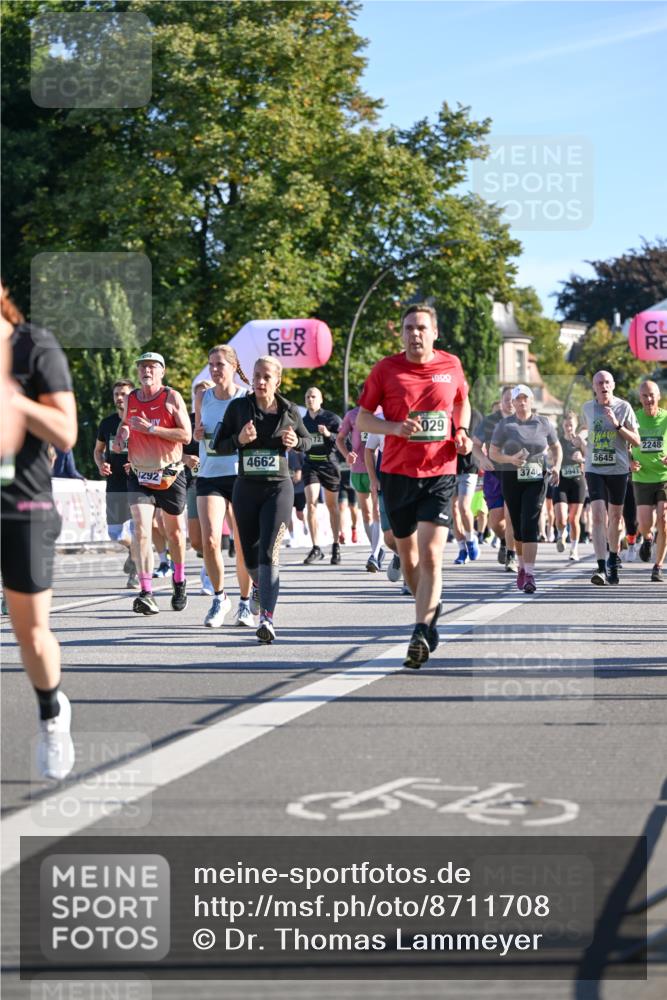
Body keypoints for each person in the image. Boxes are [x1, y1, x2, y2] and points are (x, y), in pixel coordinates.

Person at [356, 303, 471, 668]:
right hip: (397, 473)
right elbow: (361, 419)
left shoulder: (450, 365)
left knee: (432, 553)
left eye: (421, 327)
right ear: (402, 333)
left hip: (439, 471)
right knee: (408, 557)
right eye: (408, 328)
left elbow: (461, 402)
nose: (414, 333)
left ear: (434, 332)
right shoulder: (385, 369)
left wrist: (462, 432)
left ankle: (421, 630)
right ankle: (428, 605)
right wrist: (393, 428)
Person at [0, 282, 77, 780]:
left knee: (31, 633)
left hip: (20, 505)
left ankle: (52, 713)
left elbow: (66, 432)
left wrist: (16, 401)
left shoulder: (33, 346)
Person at [212, 355, 312, 643]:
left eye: (266, 376)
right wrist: (239, 441)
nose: (260, 381)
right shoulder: (238, 408)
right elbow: (217, 446)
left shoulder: (290, 410)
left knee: (271, 553)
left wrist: (297, 443)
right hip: (246, 488)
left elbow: (309, 440)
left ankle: (266, 619)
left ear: (277, 381)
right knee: (252, 556)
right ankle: (258, 584)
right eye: (256, 375)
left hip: (278, 490)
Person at [113, 352, 192, 614]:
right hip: (140, 474)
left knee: (176, 535)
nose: (146, 371)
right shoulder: (132, 398)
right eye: (142, 367)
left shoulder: (171, 397)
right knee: (141, 531)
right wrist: (121, 436)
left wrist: (152, 430)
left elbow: (186, 435)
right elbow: (125, 425)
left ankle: (179, 580)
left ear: (162, 371)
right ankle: (146, 592)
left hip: (170, 474)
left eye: (151, 367)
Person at [194, 345, 253, 627]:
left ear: (233, 366)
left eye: (220, 364)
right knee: (210, 541)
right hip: (209, 474)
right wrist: (197, 434)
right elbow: (198, 433)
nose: (215, 370)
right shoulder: (202, 396)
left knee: (242, 545)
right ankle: (219, 598)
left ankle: (244, 602)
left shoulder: (246, 397)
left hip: (241, 475)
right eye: (211, 365)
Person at [489, 385, 562, 593]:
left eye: (525, 398)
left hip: (537, 478)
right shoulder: (505, 425)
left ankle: (529, 573)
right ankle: (521, 566)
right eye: (517, 399)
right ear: (512, 403)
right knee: (519, 527)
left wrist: (556, 466)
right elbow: (493, 453)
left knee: (530, 523)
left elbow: (556, 447)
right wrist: (510, 459)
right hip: (511, 478)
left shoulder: (544, 423)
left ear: (531, 401)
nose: (522, 402)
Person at [575, 370, 641, 585]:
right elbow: (584, 429)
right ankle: (601, 566)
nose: (603, 386)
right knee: (596, 516)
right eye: (599, 383)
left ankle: (613, 558)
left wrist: (618, 425)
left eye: (607, 382)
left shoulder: (624, 407)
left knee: (615, 517)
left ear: (613, 385)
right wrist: (580, 439)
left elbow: (637, 441)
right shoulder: (587, 407)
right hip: (594, 468)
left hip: (618, 470)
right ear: (594, 387)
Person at [94, 379, 140, 588]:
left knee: (136, 531)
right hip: (114, 484)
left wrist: (138, 463)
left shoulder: (140, 421)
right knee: (115, 533)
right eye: (116, 395)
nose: (119, 398)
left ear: (132, 396)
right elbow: (97, 451)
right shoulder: (107, 423)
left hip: (138, 483)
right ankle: (132, 551)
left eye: (124, 394)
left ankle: (136, 574)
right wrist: (101, 464)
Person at [471, 387, 518, 572]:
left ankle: (511, 557)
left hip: (515, 475)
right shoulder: (490, 421)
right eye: (506, 399)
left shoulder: (524, 419)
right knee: (496, 521)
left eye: (513, 399)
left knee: (510, 515)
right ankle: (504, 540)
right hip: (494, 474)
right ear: (501, 400)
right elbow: (475, 445)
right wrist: (482, 459)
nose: (510, 403)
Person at [336, 402, 384, 571]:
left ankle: (375, 553)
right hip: (358, 469)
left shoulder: (381, 413)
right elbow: (339, 439)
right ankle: (376, 550)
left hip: (379, 468)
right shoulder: (352, 415)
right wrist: (347, 454)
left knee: (378, 510)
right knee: (367, 512)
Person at [630, 379, 667, 582]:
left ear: (659, 396)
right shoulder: (634, 419)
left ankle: (658, 566)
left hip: (664, 477)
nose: (649, 399)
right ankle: (647, 538)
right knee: (645, 523)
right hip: (642, 477)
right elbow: (623, 444)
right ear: (640, 398)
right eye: (644, 395)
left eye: (652, 395)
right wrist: (629, 462)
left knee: (664, 520)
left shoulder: (666, 418)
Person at [301, 387, 343, 565]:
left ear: (321, 399)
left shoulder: (331, 418)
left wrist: (327, 434)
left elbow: (343, 439)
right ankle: (316, 547)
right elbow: (299, 442)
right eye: (307, 397)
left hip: (329, 464)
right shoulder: (302, 422)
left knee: (332, 505)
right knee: (311, 503)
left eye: (313, 396)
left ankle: (335, 545)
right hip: (311, 464)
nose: (310, 399)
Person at [553, 410, 586, 562]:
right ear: (562, 425)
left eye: (571, 425)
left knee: (574, 520)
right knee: (561, 517)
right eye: (566, 425)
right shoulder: (558, 442)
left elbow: (590, 460)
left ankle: (574, 549)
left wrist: (582, 459)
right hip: (561, 482)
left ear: (576, 425)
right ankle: (561, 533)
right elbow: (550, 457)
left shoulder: (580, 442)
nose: (569, 428)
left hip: (577, 483)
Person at [452, 407, 482, 565]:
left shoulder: (475, 415)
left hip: (469, 467)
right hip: (449, 468)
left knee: (464, 507)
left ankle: (471, 539)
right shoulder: (444, 413)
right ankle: (462, 549)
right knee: (454, 510)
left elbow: (477, 442)